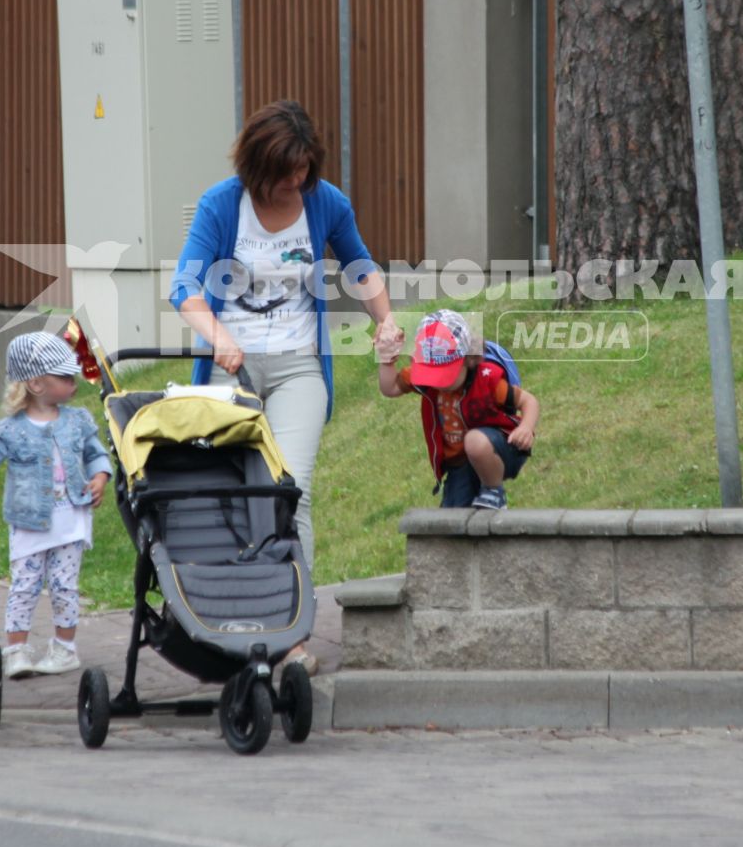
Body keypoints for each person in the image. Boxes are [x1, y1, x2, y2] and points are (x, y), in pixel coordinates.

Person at [170, 101, 404, 675]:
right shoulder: (221, 204)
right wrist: (217, 334)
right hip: (234, 371)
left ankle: (294, 635)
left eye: (303, 170)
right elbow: (185, 286)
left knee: (290, 490)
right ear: (256, 165)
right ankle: (232, 621)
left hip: (299, 367)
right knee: (232, 496)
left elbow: (361, 266)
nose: (295, 182)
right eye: (284, 172)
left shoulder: (325, 203)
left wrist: (386, 320)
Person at [0, 332, 111, 680]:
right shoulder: (11, 428)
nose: (73, 383)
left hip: (71, 518)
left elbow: (96, 454)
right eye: (65, 377)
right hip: (28, 521)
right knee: (24, 585)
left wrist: (100, 477)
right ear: (36, 384)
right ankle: (16, 651)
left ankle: (64, 649)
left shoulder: (78, 420)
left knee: (65, 585)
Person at [377, 308, 540, 511]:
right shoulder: (428, 381)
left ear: (468, 359)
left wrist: (526, 428)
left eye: (445, 375)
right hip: (459, 464)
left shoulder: (487, 380)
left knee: (474, 441)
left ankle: (494, 492)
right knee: (451, 519)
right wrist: (386, 360)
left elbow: (528, 401)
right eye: (431, 375)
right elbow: (390, 388)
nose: (439, 384)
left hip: (500, 448)